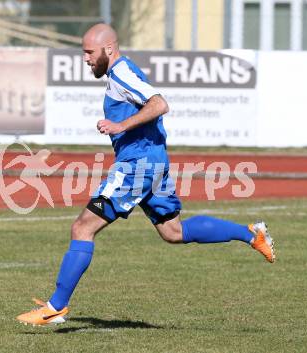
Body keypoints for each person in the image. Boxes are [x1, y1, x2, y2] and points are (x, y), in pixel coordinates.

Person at [16, 23, 275, 326]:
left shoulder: (122, 73)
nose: (85, 58)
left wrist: (120, 126)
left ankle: (54, 307)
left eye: (89, 52)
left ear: (108, 49)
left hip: (136, 166)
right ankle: (251, 234)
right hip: (152, 163)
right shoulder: (118, 74)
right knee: (173, 232)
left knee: (82, 229)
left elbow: (159, 103)